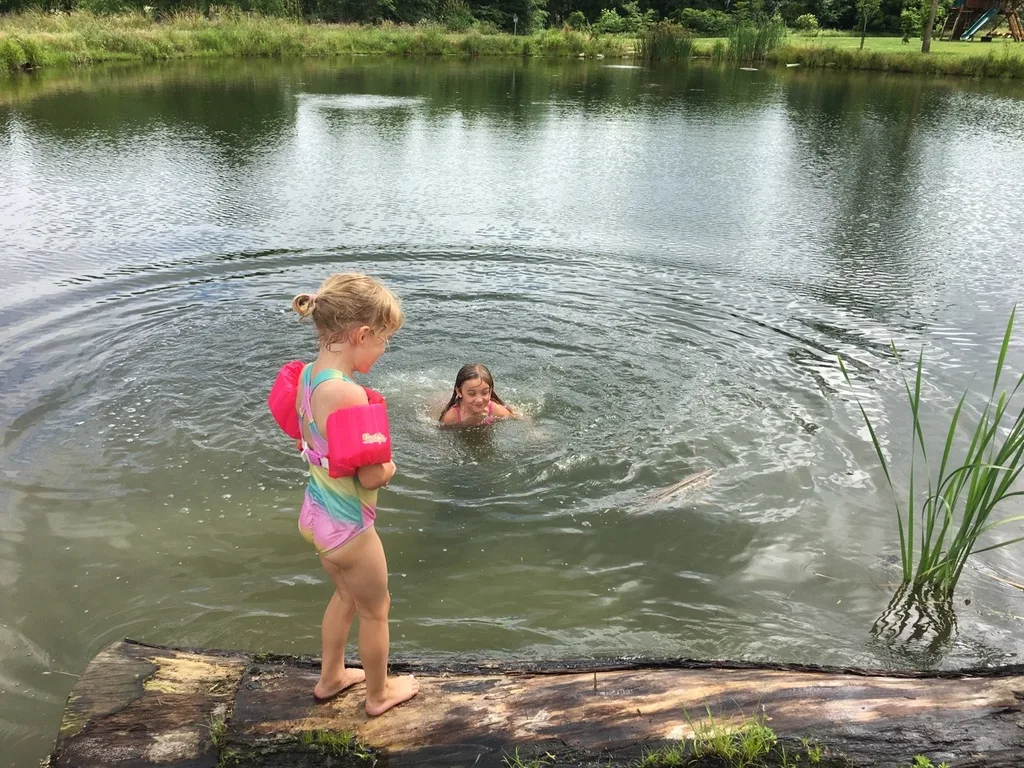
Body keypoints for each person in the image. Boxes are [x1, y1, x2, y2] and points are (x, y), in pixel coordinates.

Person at [288, 273, 418, 716]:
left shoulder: (309, 376)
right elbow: (369, 477)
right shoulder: (348, 393)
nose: (382, 350)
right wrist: (391, 467)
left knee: (345, 596)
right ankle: (379, 695)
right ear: (361, 335)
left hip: (316, 514)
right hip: (348, 526)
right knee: (377, 609)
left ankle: (331, 677)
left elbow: (311, 442)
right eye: (383, 341)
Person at [439, 363, 516, 427]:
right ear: (459, 392)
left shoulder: (496, 410)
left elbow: (518, 417)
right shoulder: (451, 417)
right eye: (472, 394)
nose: (479, 400)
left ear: (491, 390)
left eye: (484, 393)